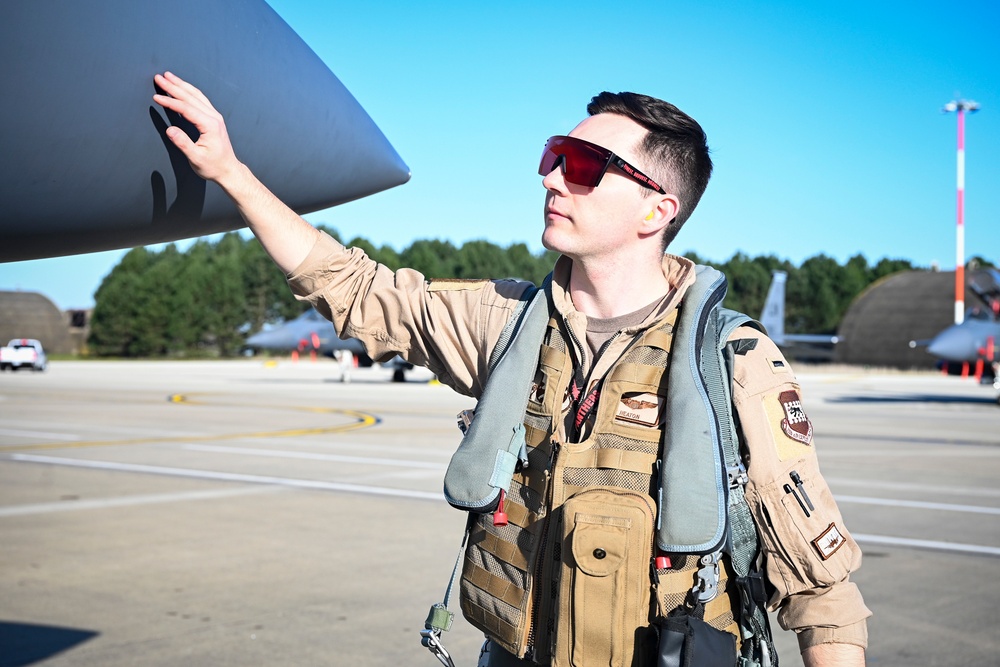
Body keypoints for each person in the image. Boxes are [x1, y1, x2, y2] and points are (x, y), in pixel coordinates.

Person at [153, 71, 870, 666]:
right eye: (556, 154)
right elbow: (355, 288)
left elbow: (822, 592)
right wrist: (230, 172)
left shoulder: (730, 361)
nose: (554, 176)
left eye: (586, 166)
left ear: (658, 209)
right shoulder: (508, 324)